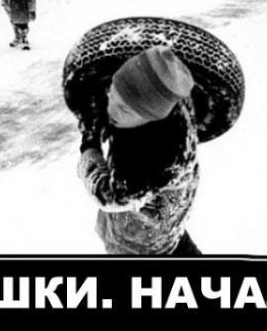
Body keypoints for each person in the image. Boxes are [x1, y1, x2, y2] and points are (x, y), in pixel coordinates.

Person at [77, 46, 202, 255]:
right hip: (167, 212)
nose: (110, 109)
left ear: (150, 118)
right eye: (111, 94)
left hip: (140, 242)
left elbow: (109, 196)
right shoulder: (167, 99)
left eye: (123, 109)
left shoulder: (155, 161)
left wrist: (89, 148)